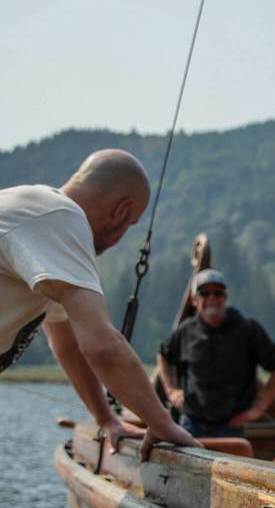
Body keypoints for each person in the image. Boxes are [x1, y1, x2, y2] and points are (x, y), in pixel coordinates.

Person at [0, 149, 200, 454]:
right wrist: (164, 424)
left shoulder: (41, 220)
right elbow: (101, 345)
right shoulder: (60, 218)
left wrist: (107, 419)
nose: (121, 238)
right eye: (130, 224)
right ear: (121, 211)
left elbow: (69, 346)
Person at [157, 269, 275, 438]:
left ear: (225, 298)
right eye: (205, 293)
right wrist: (172, 390)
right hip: (191, 423)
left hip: (230, 426)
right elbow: (163, 355)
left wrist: (259, 409)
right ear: (195, 300)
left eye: (218, 293)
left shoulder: (247, 329)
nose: (212, 298)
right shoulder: (186, 330)